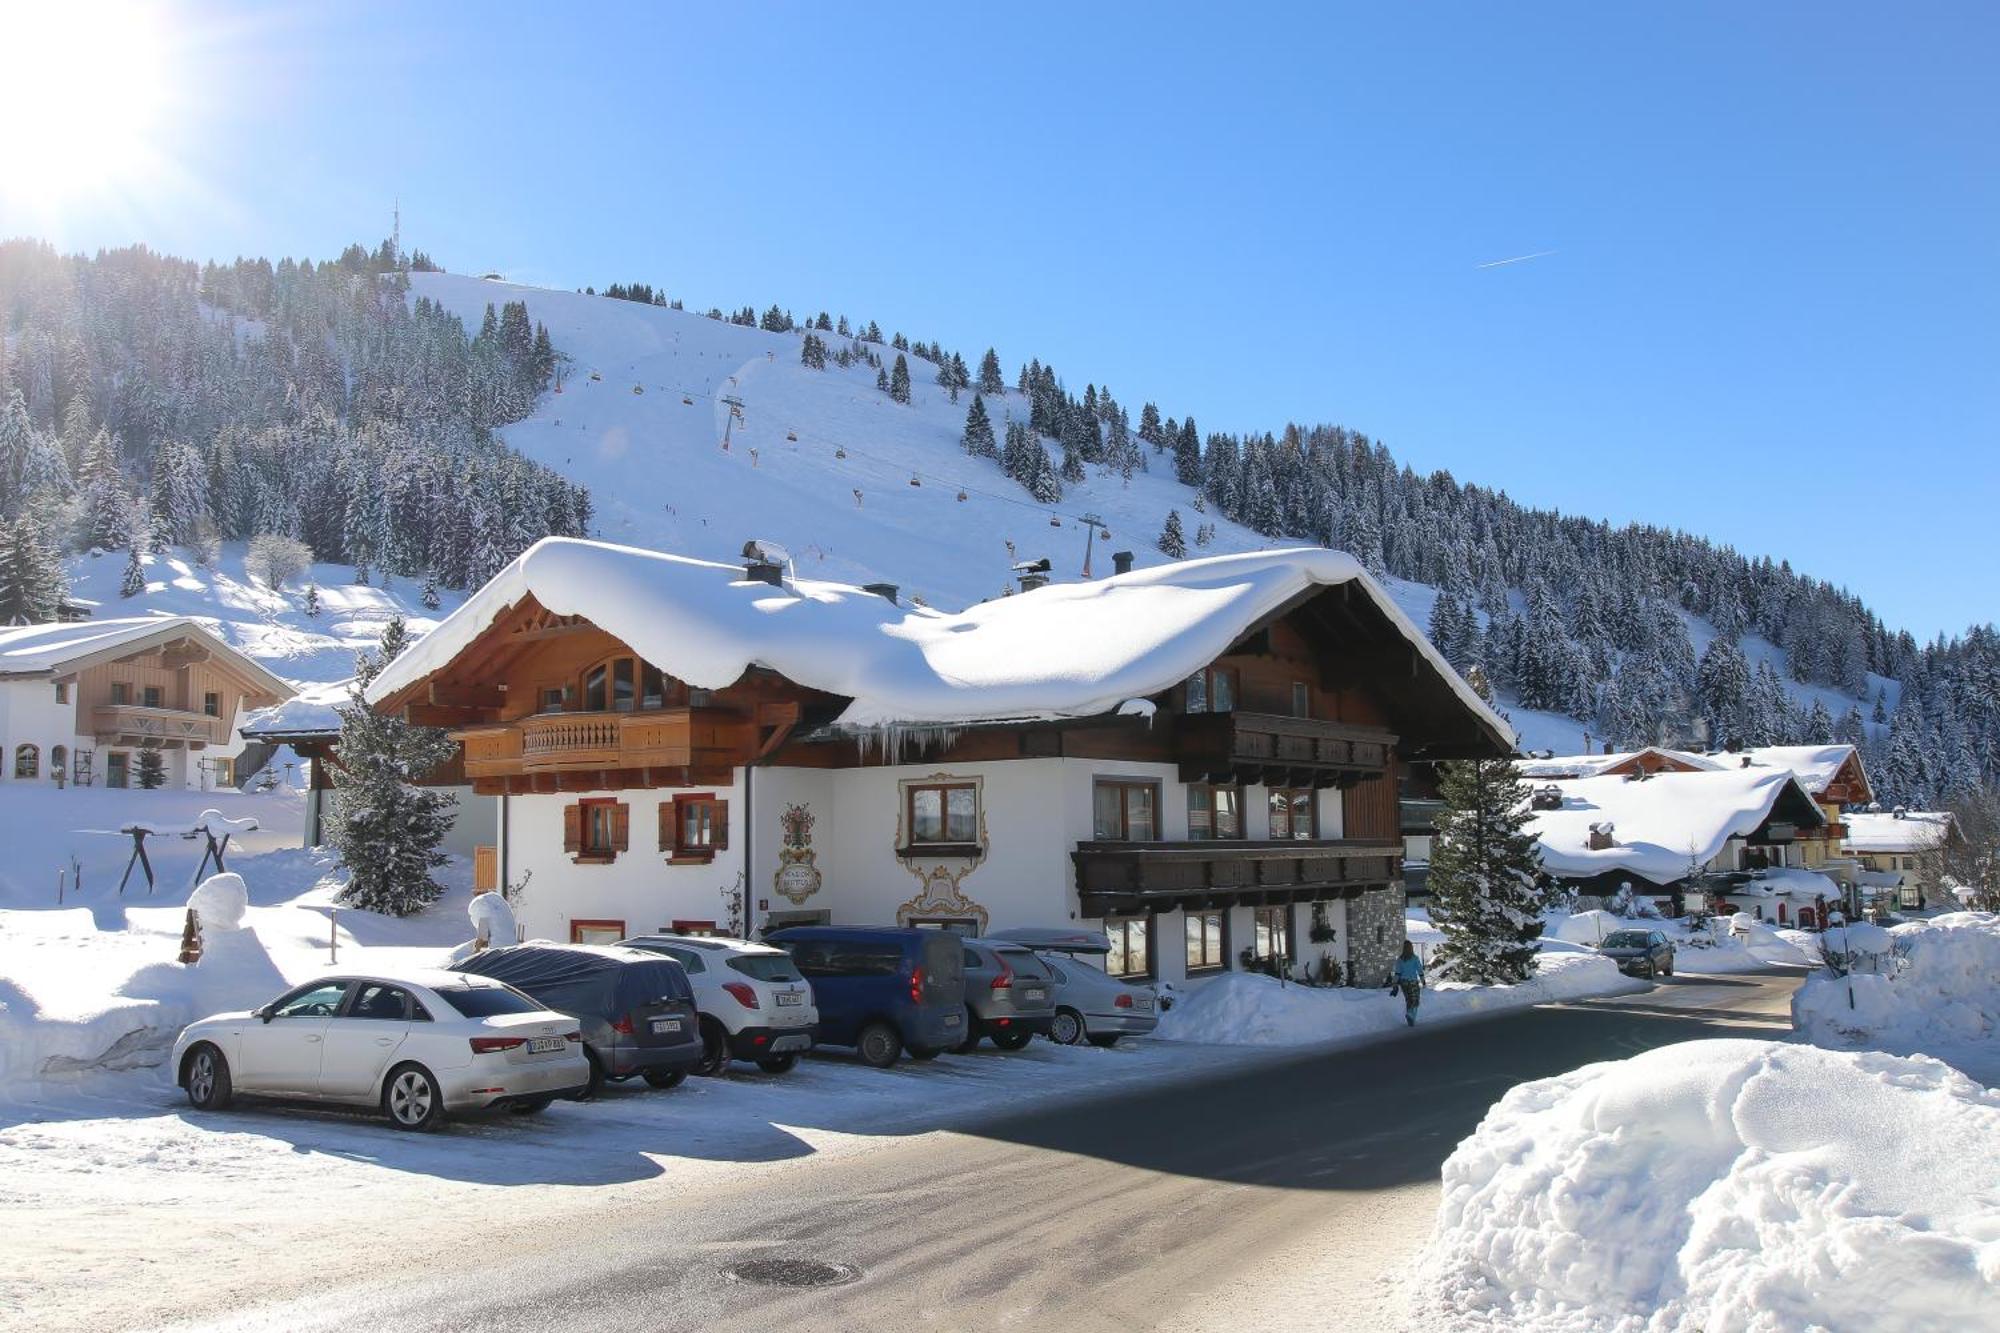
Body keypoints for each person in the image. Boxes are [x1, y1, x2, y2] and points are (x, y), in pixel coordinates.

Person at [1388, 941, 1424, 1026]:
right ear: (1411, 947)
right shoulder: (1415, 958)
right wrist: (1423, 981)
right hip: (1412, 982)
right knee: (1415, 1000)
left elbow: (1397, 973)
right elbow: (1420, 970)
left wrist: (1395, 985)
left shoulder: (1400, 959)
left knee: (1408, 1000)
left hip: (1403, 983)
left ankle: (1410, 1019)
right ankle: (1411, 1015)